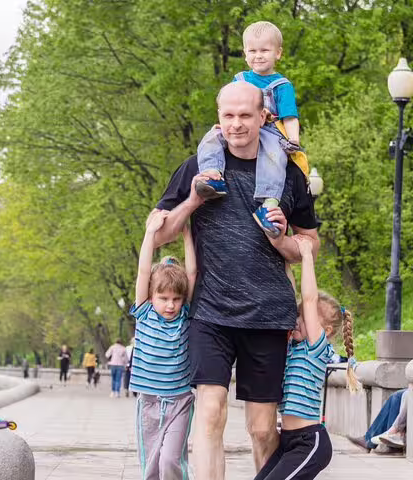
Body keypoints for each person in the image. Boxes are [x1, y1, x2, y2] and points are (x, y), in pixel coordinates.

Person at [153, 81, 319, 480]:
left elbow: (311, 244)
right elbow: (159, 234)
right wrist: (193, 199)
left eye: (245, 115)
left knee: (262, 430)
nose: (236, 124)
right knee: (210, 413)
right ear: (219, 118)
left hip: (268, 315)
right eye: (228, 116)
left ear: (264, 116)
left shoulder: (287, 175)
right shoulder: (199, 166)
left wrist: (282, 239)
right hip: (210, 313)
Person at [254, 235, 360, 480]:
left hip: (310, 443)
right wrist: (285, 260)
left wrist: (307, 257)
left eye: (305, 317)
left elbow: (309, 299)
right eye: (299, 315)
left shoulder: (315, 348)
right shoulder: (293, 347)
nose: (298, 319)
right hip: (288, 441)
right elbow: (294, 297)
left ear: (327, 331)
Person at [195, 21, 306, 238]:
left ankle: (269, 204)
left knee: (275, 156)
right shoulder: (240, 80)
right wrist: (225, 122)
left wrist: (293, 138)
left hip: (269, 130)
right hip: (239, 126)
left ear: (278, 53)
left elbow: (290, 117)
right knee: (211, 137)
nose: (258, 56)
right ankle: (212, 175)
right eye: (252, 51)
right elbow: (228, 104)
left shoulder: (281, 85)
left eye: (265, 50)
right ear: (245, 54)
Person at [130, 211, 197, 480]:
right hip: (148, 401)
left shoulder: (184, 316)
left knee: (171, 460)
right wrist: (150, 233)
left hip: (179, 401)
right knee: (151, 466)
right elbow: (144, 270)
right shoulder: (144, 311)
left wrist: (187, 232)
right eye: (164, 298)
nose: (170, 305)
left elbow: (192, 273)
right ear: (152, 295)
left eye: (176, 299)